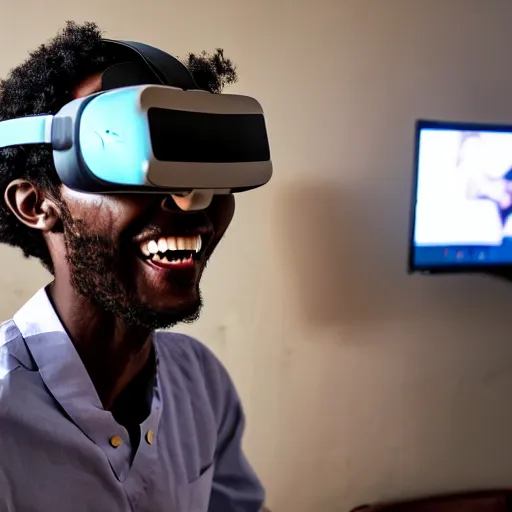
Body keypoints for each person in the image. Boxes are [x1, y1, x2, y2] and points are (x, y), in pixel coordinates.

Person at [0, 21, 265, 512]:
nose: (189, 202)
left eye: (204, 162)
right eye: (123, 152)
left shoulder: (201, 381)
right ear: (36, 204)